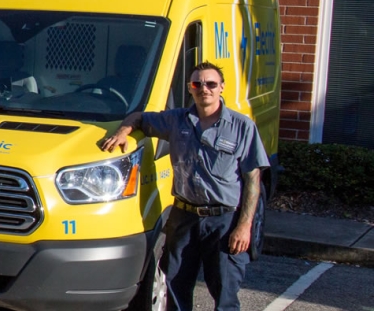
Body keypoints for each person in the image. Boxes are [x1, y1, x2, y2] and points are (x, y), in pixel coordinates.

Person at [100, 62, 268, 311]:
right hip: (184, 218)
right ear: (190, 88)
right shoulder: (176, 120)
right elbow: (139, 118)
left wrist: (244, 227)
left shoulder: (242, 126)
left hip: (224, 220)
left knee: (225, 294)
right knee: (176, 289)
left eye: (211, 84)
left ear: (222, 87)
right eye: (197, 84)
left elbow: (253, 179)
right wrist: (123, 132)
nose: (204, 89)